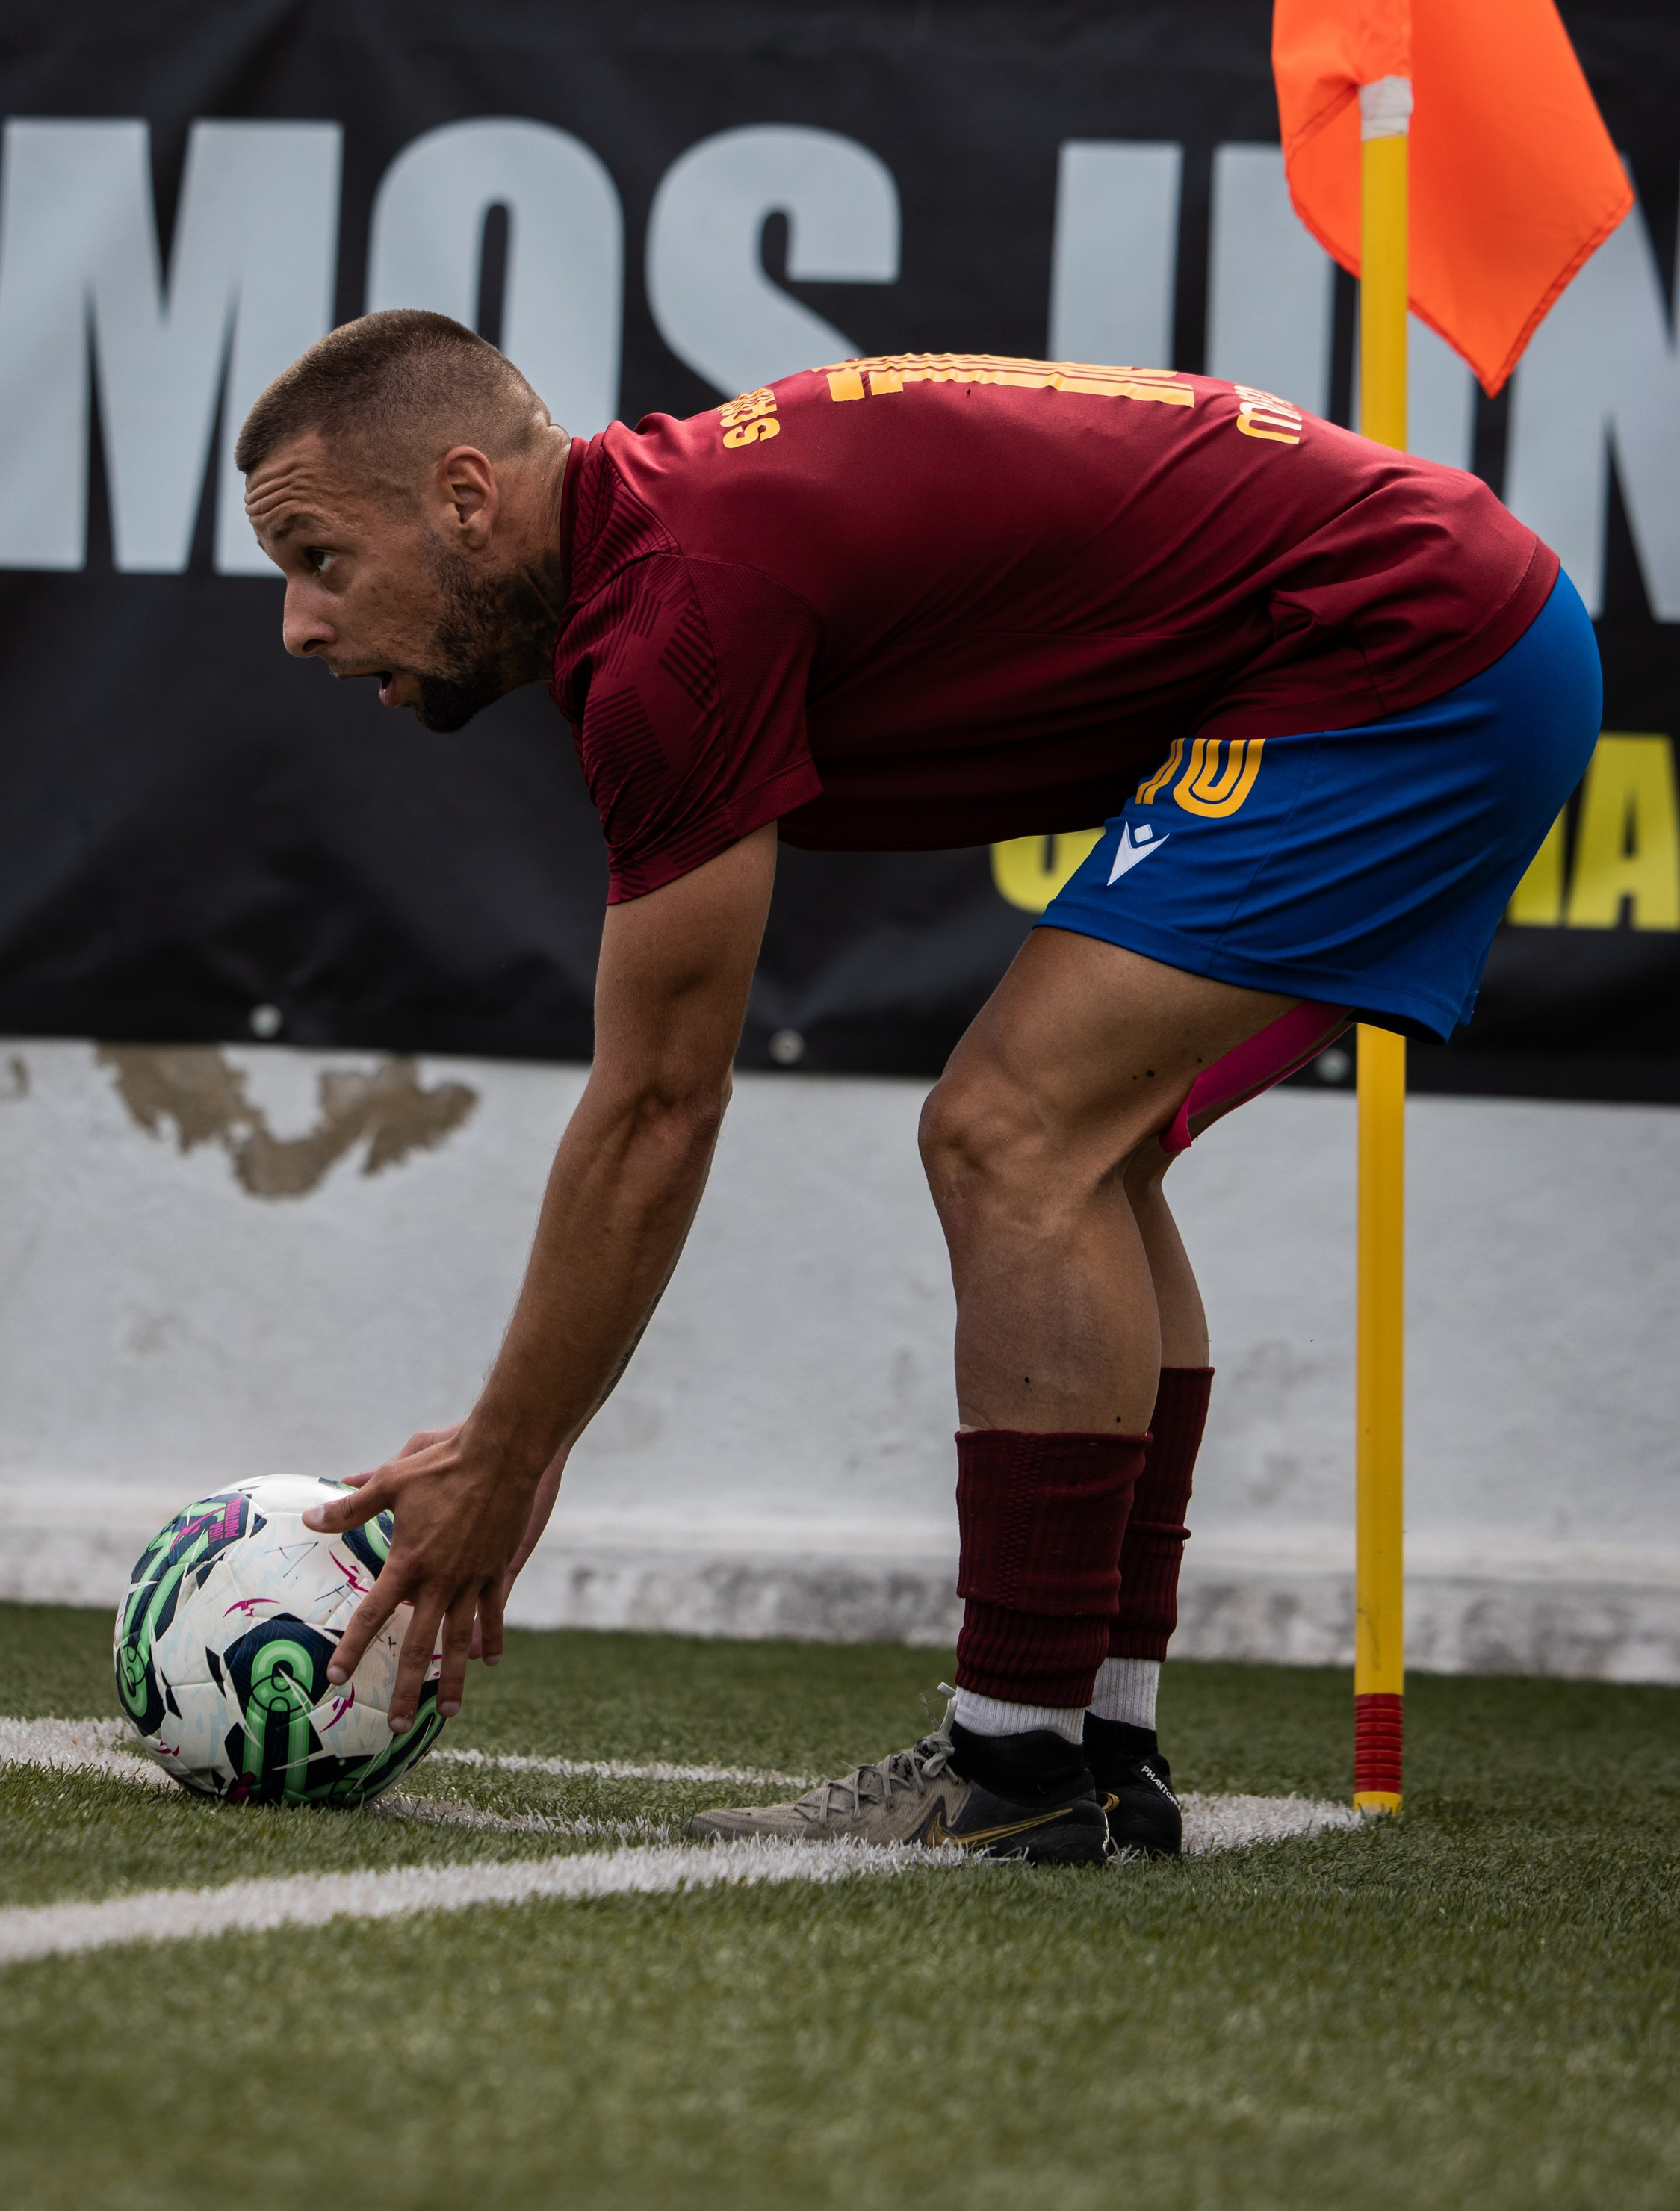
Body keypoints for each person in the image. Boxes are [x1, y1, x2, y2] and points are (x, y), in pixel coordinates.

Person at [236, 308, 1598, 1864]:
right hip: (1457, 624)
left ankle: (1013, 1774)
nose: (298, 624)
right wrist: (523, 1439)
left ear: (464, 495)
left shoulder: (672, 619)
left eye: (317, 558)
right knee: (1082, 1151)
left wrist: (507, 1448)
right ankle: (1091, 1750)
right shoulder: (671, 556)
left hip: (1407, 647)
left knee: (1004, 1136)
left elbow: (656, 1111)